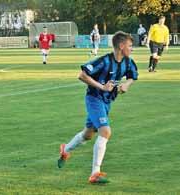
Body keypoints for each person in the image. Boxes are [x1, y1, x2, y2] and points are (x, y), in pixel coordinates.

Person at [58, 31, 138, 184]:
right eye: (130, 45)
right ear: (121, 46)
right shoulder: (104, 61)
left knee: (88, 135)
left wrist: (126, 85)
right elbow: (82, 75)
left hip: (107, 102)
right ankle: (95, 173)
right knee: (105, 131)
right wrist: (102, 87)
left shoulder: (128, 62)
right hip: (94, 99)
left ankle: (65, 150)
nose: (132, 49)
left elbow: (132, 77)